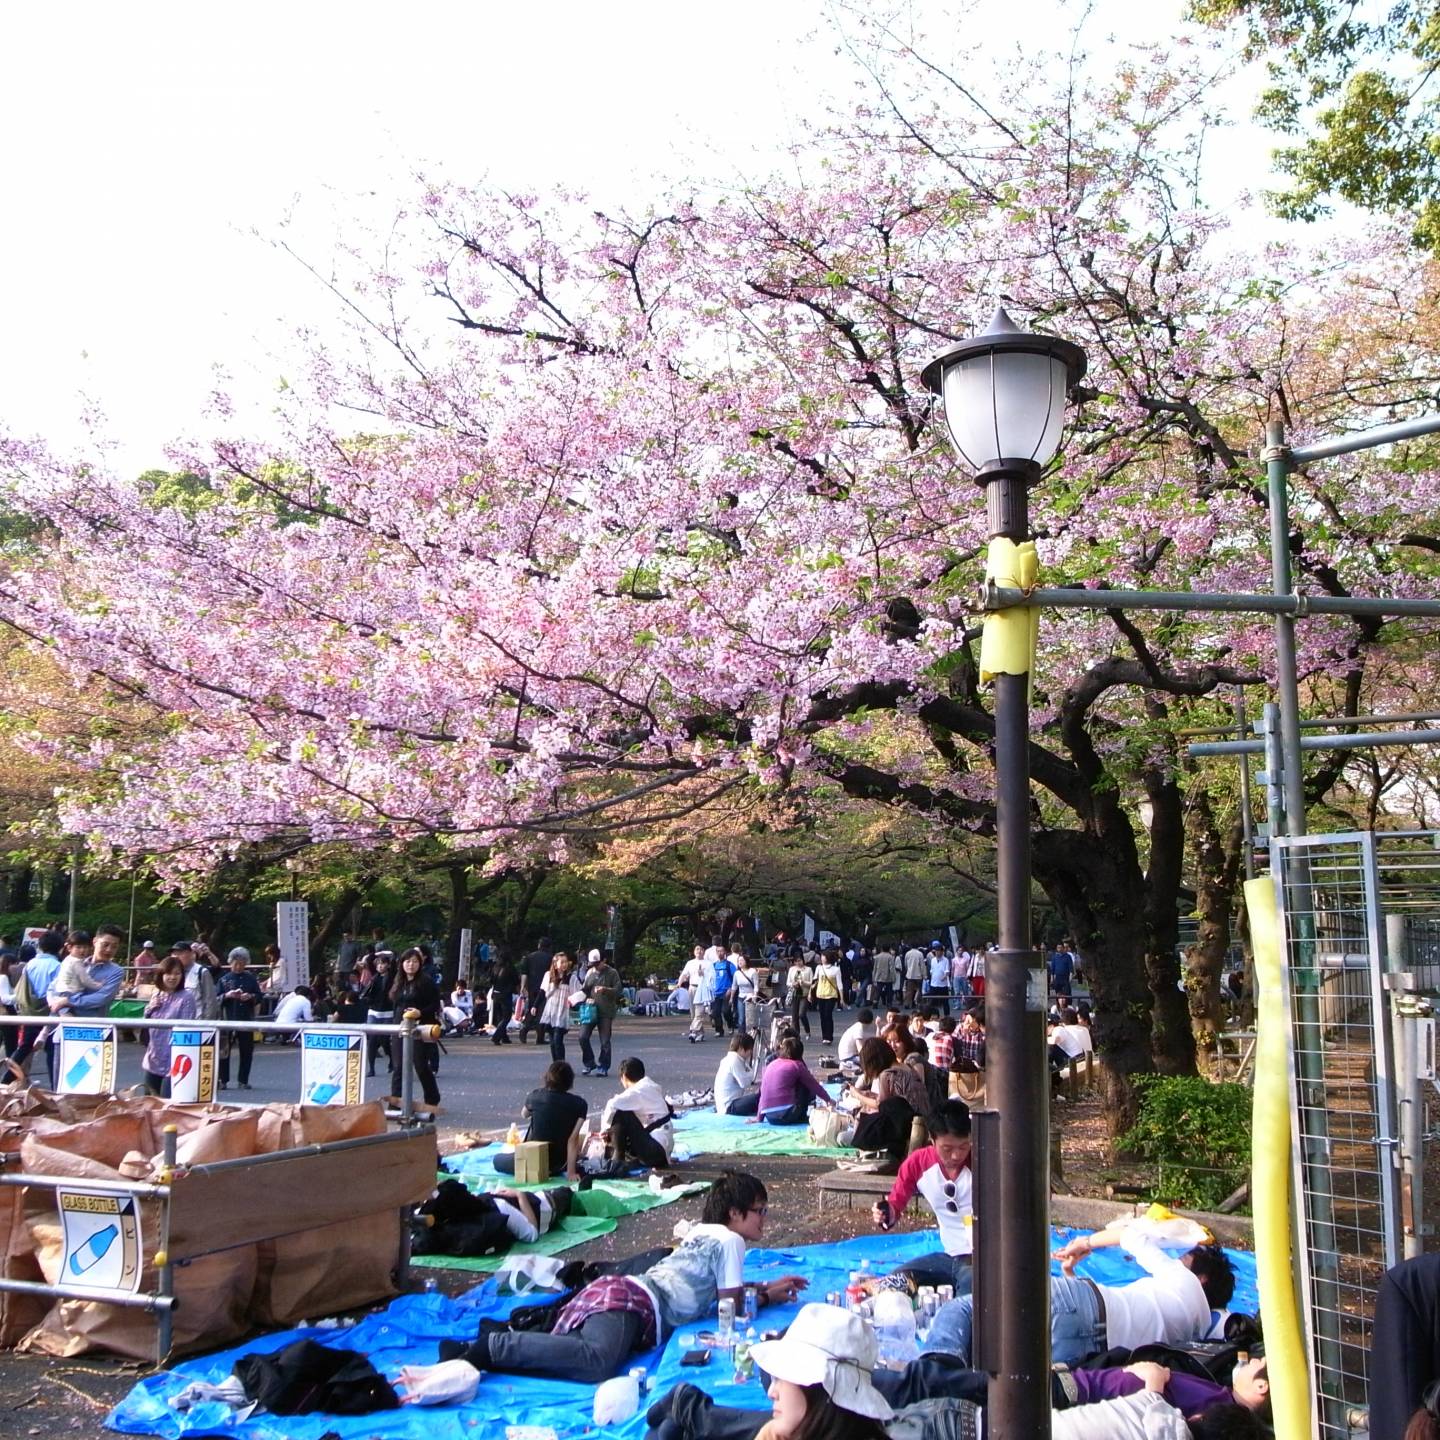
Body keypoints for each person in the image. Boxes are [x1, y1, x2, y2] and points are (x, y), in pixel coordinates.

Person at [401, 1171, 807, 1391]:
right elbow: (729, 1306)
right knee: (598, 1360)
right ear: (735, 1214)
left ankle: (486, 1345)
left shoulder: (706, 1234)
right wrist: (765, 1298)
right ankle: (488, 1348)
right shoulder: (731, 1240)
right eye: (760, 1211)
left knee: (587, 1351)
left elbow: (719, 1292)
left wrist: (765, 1290)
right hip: (633, 1301)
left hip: (623, 1294)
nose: (764, 1219)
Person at [925, 1221, 1236, 1366]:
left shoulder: (1187, 1282)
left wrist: (1084, 1244)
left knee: (964, 1311)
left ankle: (931, 1375)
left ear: (1203, 1279)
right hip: (1091, 1357)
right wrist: (1070, 1275)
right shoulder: (1193, 1336)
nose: (1177, 1261)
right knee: (1008, 1382)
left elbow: (1132, 1235)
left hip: (1085, 1308)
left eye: (1184, 1259)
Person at [870, 1099, 974, 1291]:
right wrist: (886, 1213)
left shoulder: (983, 1159)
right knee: (892, 1283)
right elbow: (895, 1203)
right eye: (947, 1148)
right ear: (932, 1141)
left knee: (968, 1303)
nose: (956, 1156)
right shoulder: (918, 1163)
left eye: (963, 1147)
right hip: (951, 1257)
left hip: (984, 1260)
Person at [494, 1060, 588, 1180]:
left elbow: (524, 1114)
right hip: (559, 1163)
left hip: (533, 1159)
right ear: (570, 1081)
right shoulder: (580, 1103)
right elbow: (572, 1140)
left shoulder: (536, 1096)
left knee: (497, 1159)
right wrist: (571, 1173)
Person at [845, 1037, 930, 1163]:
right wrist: (870, 1095)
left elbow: (881, 1105)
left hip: (905, 1128)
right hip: (921, 1121)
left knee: (849, 1134)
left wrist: (857, 1095)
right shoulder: (908, 1068)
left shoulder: (887, 1074)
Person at [389, 946, 442, 1110]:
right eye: (407, 961)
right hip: (400, 1026)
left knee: (420, 1065)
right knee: (398, 1066)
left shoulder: (425, 981)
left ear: (420, 963)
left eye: (414, 962)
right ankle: (395, 1102)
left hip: (419, 1027)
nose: (410, 965)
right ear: (402, 964)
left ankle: (432, 1098)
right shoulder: (398, 981)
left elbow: (435, 1004)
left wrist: (420, 1012)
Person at [601, 1056, 675, 1170]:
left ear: (624, 1077)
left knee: (621, 1114)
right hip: (662, 1150)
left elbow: (612, 1104)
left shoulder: (637, 1091)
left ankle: (617, 1160)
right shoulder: (651, 1086)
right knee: (626, 1111)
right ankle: (622, 1156)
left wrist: (604, 1130)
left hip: (655, 1151)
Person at [142, 955, 197, 1095]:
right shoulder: (157, 994)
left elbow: (186, 1028)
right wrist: (149, 1009)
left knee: (167, 1103)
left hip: (174, 1058)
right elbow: (145, 1022)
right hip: (154, 1056)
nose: (172, 977)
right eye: (168, 973)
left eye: (177, 973)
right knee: (149, 1101)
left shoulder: (187, 997)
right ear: (161, 975)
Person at [755, 1035, 831, 1125]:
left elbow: (764, 1092)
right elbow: (813, 1085)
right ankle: (803, 1115)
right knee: (804, 1083)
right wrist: (828, 1100)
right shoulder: (797, 1065)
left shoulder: (770, 1065)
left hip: (770, 1116)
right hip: (788, 1114)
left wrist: (759, 1118)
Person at [217, 947, 263, 1089]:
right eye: (236, 963)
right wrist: (227, 995)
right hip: (227, 1018)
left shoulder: (251, 979)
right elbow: (216, 998)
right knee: (224, 1051)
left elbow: (259, 996)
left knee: (246, 1050)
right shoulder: (224, 979)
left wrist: (250, 996)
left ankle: (243, 1080)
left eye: (242, 964)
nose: (238, 966)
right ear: (231, 963)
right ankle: (222, 1080)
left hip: (245, 1018)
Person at [577, 949, 622, 1076]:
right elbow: (584, 990)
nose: (595, 967)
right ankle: (589, 1062)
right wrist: (583, 998)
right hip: (590, 1009)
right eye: (593, 964)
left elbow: (618, 990)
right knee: (582, 1037)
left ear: (604, 961)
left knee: (605, 1041)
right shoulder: (589, 973)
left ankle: (604, 1065)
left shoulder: (612, 973)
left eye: (597, 964)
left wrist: (606, 990)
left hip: (605, 1011)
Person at [539, 951, 581, 1062]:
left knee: (558, 1039)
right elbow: (542, 992)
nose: (564, 964)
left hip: (562, 1012)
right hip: (550, 1012)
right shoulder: (548, 976)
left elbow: (579, 993)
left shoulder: (571, 978)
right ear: (555, 963)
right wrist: (534, 1006)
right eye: (561, 962)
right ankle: (556, 1064)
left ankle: (561, 1063)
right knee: (552, 1042)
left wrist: (578, 1003)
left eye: (566, 962)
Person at [362, 952, 394, 1080]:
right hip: (373, 1011)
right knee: (372, 1040)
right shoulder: (374, 978)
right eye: (378, 964)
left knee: (384, 1040)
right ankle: (371, 1068)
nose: (380, 966)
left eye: (383, 964)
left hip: (388, 1012)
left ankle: (392, 1060)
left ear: (388, 965)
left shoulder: (392, 978)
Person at [518, 937, 554, 1045]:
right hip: (545, 988)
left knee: (532, 1009)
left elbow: (524, 973)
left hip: (532, 987)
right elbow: (552, 975)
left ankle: (525, 1030)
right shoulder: (550, 958)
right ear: (548, 947)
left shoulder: (529, 957)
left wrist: (523, 986)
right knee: (542, 1012)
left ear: (539, 945)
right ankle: (539, 1037)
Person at [715, 1031, 761, 1116]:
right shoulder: (734, 1061)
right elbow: (744, 1083)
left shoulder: (730, 1059)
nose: (750, 1053)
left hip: (727, 1104)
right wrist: (752, 1073)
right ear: (741, 1049)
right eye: (750, 1050)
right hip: (729, 1107)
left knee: (757, 1097)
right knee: (760, 1097)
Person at [681, 944, 713, 1042]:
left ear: (704, 951)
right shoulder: (690, 963)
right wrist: (679, 982)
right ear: (694, 951)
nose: (699, 951)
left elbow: (712, 977)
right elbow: (684, 974)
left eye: (701, 949)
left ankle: (693, 1032)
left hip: (702, 989)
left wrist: (704, 974)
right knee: (693, 1013)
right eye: (697, 949)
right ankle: (701, 1033)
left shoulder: (708, 964)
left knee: (699, 1012)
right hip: (692, 987)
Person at [812, 948, 843, 1044]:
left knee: (828, 1015)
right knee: (822, 1016)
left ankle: (829, 1037)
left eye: (823, 956)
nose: (821, 958)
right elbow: (815, 981)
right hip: (820, 994)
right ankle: (824, 1036)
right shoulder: (819, 968)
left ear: (828, 958)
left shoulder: (836, 969)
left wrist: (841, 998)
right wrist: (810, 992)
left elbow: (839, 984)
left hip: (831, 995)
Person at [489, 948, 520, 1045]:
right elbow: (516, 980)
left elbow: (491, 980)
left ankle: (504, 1037)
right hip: (505, 994)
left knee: (500, 1017)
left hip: (495, 993)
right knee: (506, 1017)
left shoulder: (495, 967)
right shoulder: (510, 967)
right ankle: (497, 1036)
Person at [707, 939, 737, 1036]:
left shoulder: (729, 965)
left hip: (726, 992)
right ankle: (719, 1030)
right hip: (716, 992)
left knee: (726, 1011)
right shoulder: (714, 965)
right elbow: (709, 978)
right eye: (718, 951)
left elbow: (735, 978)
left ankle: (730, 1025)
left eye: (722, 951)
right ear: (716, 953)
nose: (720, 953)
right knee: (715, 1012)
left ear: (725, 952)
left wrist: (731, 989)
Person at [732, 951, 760, 1033]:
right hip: (741, 997)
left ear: (746, 961)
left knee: (750, 1018)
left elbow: (756, 986)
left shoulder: (752, 971)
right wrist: (731, 998)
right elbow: (734, 986)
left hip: (751, 997)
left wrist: (755, 996)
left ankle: (752, 1034)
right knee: (741, 1019)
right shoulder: (737, 973)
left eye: (742, 960)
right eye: (738, 961)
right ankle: (741, 1036)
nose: (740, 962)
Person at [902, 943, 926, 1008]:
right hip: (918, 975)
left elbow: (905, 964)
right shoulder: (920, 954)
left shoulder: (907, 953)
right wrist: (924, 975)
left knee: (909, 990)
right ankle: (917, 1002)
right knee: (919, 990)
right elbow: (922, 965)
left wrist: (908, 970)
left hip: (910, 975)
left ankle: (907, 1003)